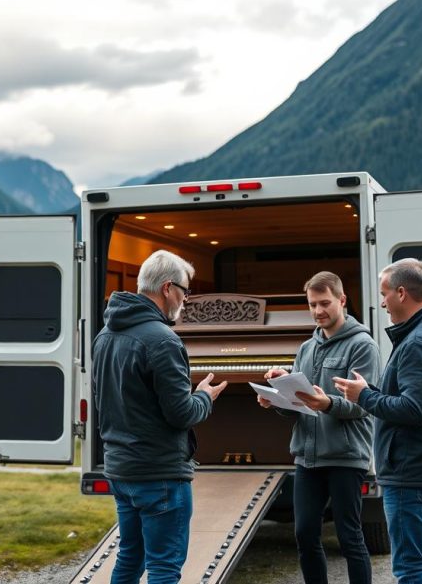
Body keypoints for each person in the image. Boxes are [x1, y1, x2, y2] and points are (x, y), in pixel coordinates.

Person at [92, 249, 227, 584]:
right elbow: (182, 414)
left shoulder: (105, 336)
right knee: (164, 567)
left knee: (129, 557)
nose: (185, 299)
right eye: (184, 290)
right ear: (168, 288)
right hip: (160, 474)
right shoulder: (163, 340)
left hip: (122, 469)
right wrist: (204, 397)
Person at [333, 258, 422, 584]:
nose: (381, 302)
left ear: (402, 293)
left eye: (384, 294)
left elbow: (413, 410)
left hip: (411, 472)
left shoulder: (419, 342)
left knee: (410, 567)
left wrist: (364, 396)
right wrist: (370, 391)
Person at [258, 271, 380, 584]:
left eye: (324, 303)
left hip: (345, 456)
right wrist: (277, 399)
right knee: (304, 534)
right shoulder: (306, 348)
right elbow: (299, 406)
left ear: (342, 300)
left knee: (349, 537)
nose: (318, 311)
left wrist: (327, 404)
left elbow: (365, 404)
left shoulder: (363, 346)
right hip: (307, 458)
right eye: (312, 304)